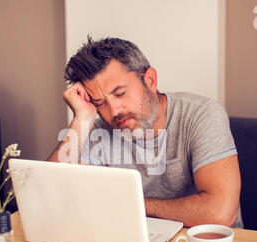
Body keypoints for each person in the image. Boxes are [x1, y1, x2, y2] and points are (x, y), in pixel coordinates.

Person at [47, 36, 243, 228]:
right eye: (100, 103)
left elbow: (219, 212)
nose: (114, 110)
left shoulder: (202, 114)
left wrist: (133, 205)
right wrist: (82, 118)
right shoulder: (97, 129)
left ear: (150, 80)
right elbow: (48, 199)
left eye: (120, 93)